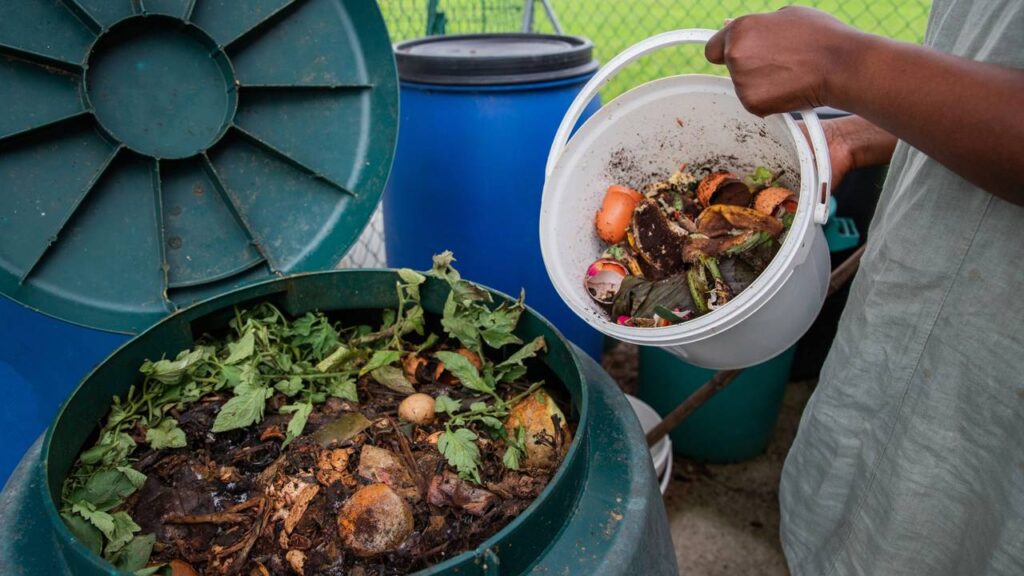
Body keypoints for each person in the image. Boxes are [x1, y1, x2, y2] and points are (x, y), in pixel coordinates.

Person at [704, 3, 1023, 575]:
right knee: (859, 512)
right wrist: (854, 134)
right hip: (913, 296)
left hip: (996, 357)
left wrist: (840, 61)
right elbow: (986, 68)